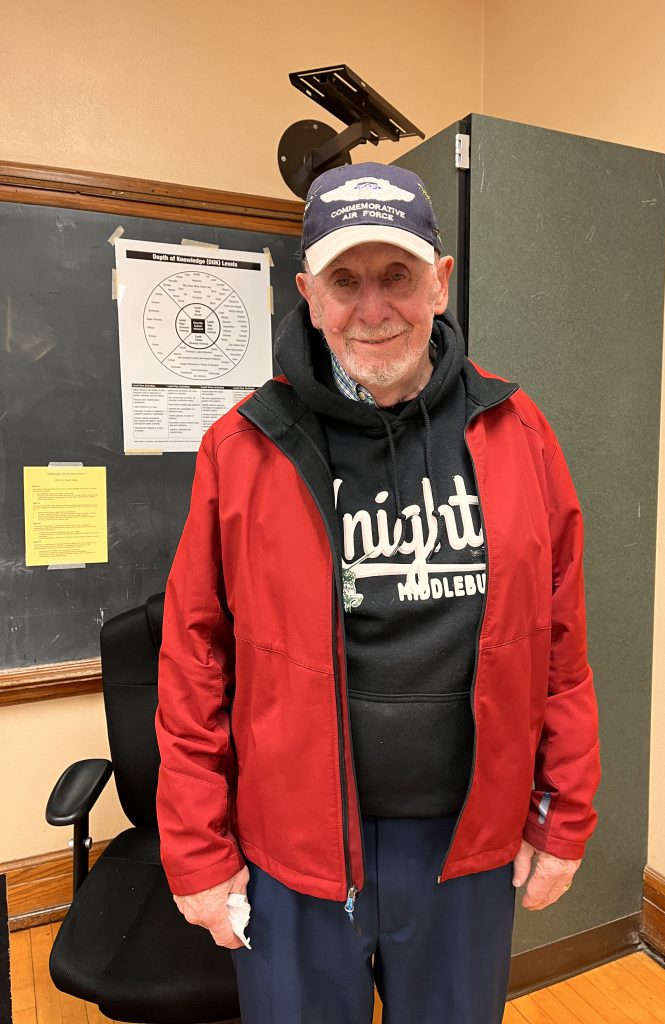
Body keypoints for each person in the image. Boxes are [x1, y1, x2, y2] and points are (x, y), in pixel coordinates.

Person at [155, 161, 601, 1024]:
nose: (372, 308)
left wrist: (562, 814)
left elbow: (562, 646)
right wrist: (199, 852)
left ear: (439, 283)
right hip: (293, 853)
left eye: (396, 275)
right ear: (308, 295)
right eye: (344, 281)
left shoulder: (518, 432)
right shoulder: (243, 448)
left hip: (464, 850)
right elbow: (193, 666)